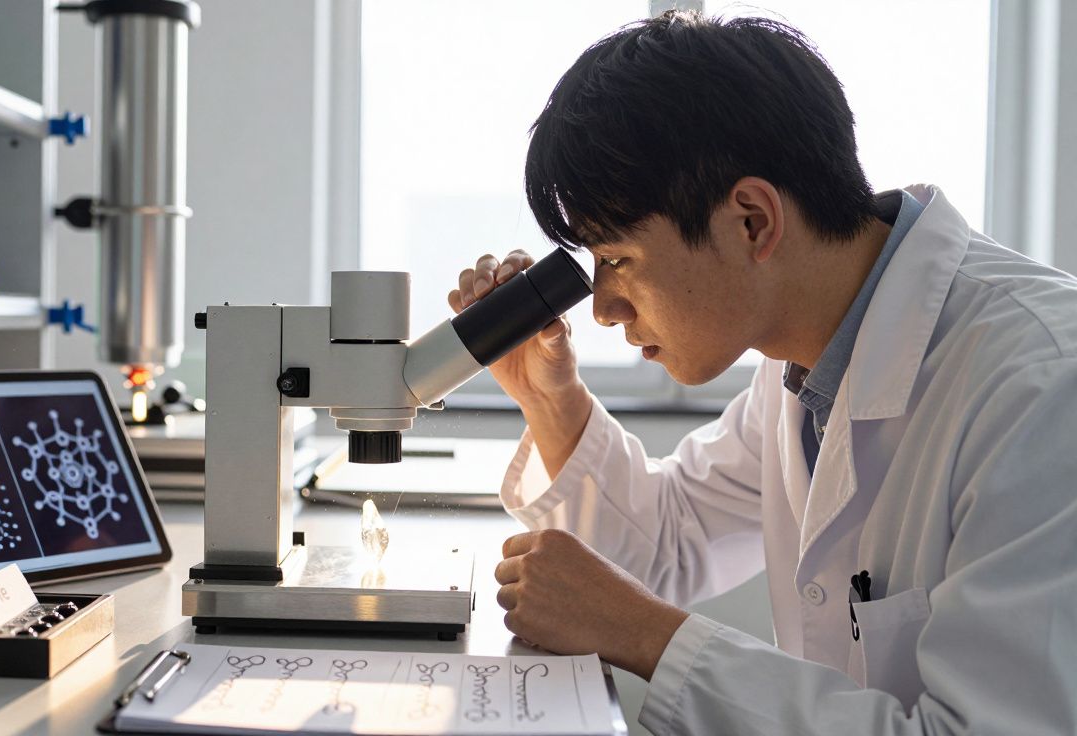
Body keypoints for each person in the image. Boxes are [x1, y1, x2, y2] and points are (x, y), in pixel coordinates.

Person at [450, 11, 1077, 735]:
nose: (603, 308)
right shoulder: (809, 361)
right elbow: (672, 539)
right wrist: (546, 396)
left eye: (618, 259)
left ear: (752, 221)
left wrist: (650, 637)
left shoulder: (1040, 388)